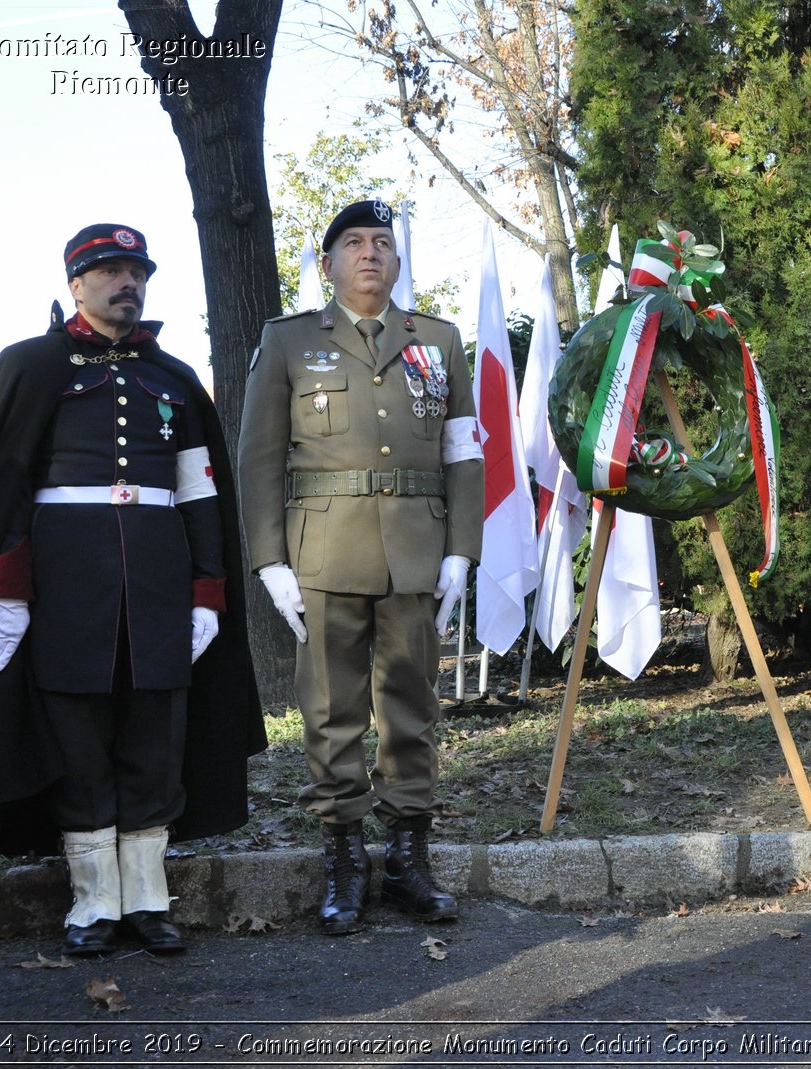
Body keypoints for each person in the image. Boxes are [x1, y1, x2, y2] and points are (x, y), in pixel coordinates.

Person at [0, 224, 265, 955]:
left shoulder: (172, 378)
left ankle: (147, 898)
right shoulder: (30, 365)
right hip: (67, 589)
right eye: (107, 270)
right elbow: (4, 491)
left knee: (156, 744)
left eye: (135, 270)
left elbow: (200, 491)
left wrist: (208, 592)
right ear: (76, 283)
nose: (124, 282)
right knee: (77, 742)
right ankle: (94, 902)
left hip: (160, 588)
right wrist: (7, 591)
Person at [239, 199, 482, 934]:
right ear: (328, 265)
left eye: (382, 242)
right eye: (353, 243)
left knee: (412, 706)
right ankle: (344, 857)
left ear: (398, 262)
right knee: (332, 710)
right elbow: (258, 458)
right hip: (323, 551)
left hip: (416, 547)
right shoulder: (287, 343)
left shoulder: (437, 341)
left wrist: (462, 550)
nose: (370, 253)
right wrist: (269, 560)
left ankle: (409, 855)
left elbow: (463, 448)